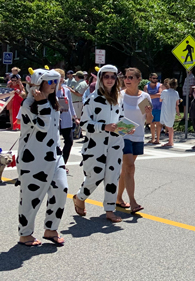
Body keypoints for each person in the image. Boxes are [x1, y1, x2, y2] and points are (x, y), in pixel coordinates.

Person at [16, 68, 68, 247]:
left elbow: (54, 132)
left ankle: (51, 229)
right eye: (50, 82)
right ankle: (25, 233)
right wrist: (42, 103)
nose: (54, 85)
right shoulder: (28, 104)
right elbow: (43, 127)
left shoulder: (52, 102)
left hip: (54, 156)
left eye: (56, 82)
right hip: (32, 159)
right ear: (39, 83)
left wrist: (60, 157)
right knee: (31, 197)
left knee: (61, 189)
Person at [73, 65, 125, 223]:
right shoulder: (92, 99)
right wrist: (103, 127)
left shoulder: (118, 98)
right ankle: (80, 197)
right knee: (95, 175)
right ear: (101, 79)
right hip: (96, 145)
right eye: (106, 76)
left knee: (112, 177)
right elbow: (83, 124)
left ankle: (110, 210)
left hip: (115, 143)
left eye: (113, 76)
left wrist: (125, 128)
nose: (109, 79)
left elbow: (121, 117)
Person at [116, 67, 153, 213]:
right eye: (126, 77)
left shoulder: (144, 97)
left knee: (127, 169)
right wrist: (123, 129)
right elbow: (114, 116)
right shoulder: (120, 96)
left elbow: (149, 120)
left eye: (131, 77)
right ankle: (133, 202)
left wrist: (149, 114)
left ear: (139, 80)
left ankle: (118, 198)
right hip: (123, 135)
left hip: (138, 135)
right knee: (130, 167)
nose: (127, 80)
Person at [55, 69, 79, 165]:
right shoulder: (50, 90)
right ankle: (56, 163)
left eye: (62, 77)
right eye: (58, 77)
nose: (60, 79)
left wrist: (75, 117)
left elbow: (70, 104)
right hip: (55, 120)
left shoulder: (66, 90)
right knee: (54, 143)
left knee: (69, 141)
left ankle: (63, 163)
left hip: (66, 119)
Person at [160, 78, 180, 148]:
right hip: (172, 110)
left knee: (169, 127)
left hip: (166, 110)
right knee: (170, 126)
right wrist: (178, 112)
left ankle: (170, 141)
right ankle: (170, 141)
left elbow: (160, 100)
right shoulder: (176, 93)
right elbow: (177, 103)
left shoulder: (164, 92)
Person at [145, 73, 163, 145]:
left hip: (159, 107)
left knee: (158, 123)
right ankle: (152, 138)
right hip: (150, 107)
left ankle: (157, 139)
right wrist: (155, 95)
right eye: (153, 78)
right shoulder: (146, 86)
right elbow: (145, 96)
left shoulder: (160, 85)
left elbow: (160, 94)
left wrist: (150, 96)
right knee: (151, 123)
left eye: (156, 78)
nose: (155, 80)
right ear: (150, 78)